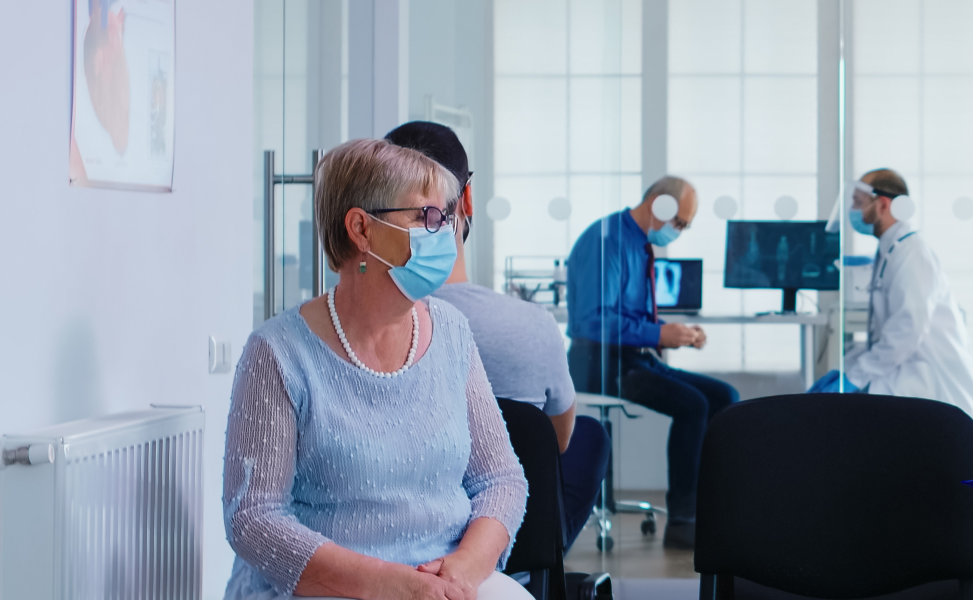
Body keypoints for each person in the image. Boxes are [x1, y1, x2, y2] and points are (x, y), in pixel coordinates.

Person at [222, 138, 531, 600]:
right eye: (426, 218)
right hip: (326, 590)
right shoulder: (277, 353)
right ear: (361, 229)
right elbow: (253, 518)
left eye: (446, 217)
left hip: (445, 584)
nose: (443, 232)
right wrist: (387, 584)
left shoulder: (451, 332)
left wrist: (461, 572)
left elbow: (501, 480)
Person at [385, 121, 612, 556]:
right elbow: (557, 443)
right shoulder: (532, 325)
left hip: (404, 539)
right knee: (587, 435)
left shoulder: (360, 327)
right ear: (467, 199)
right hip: (518, 541)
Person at [567, 176, 734, 550]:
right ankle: (683, 522)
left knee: (725, 396)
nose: (680, 231)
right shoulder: (607, 241)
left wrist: (675, 333)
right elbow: (593, 321)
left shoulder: (638, 244)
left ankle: (715, 508)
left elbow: (630, 316)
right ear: (660, 205)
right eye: (681, 223)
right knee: (694, 406)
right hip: (599, 361)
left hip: (634, 358)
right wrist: (659, 336)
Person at [808, 169, 973, 472]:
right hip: (910, 376)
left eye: (858, 202)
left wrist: (855, 376)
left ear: (882, 204)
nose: (854, 211)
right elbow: (885, 335)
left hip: (933, 382)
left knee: (930, 473)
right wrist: (848, 368)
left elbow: (906, 331)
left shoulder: (912, 254)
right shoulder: (891, 249)